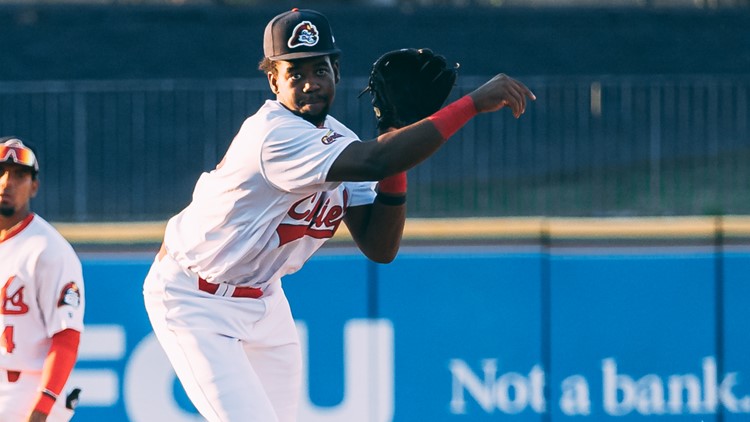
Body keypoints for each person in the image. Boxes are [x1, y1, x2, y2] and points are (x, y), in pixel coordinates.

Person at [143, 7, 535, 422]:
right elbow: (375, 162)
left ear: (337, 70)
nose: (311, 83)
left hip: (264, 299)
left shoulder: (339, 142)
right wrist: (470, 105)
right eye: (295, 73)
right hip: (195, 298)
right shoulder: (273, 135)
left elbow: (380, 245)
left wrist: (394, 141)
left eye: (320, 69)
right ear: (274, 79)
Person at [0, 137, 85, 422]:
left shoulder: (48, 249)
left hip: (28, 387)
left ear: (34, 186)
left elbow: (66, 336)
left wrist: (43, 406)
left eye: (19, 175)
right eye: (0, 171)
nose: (7, 182)